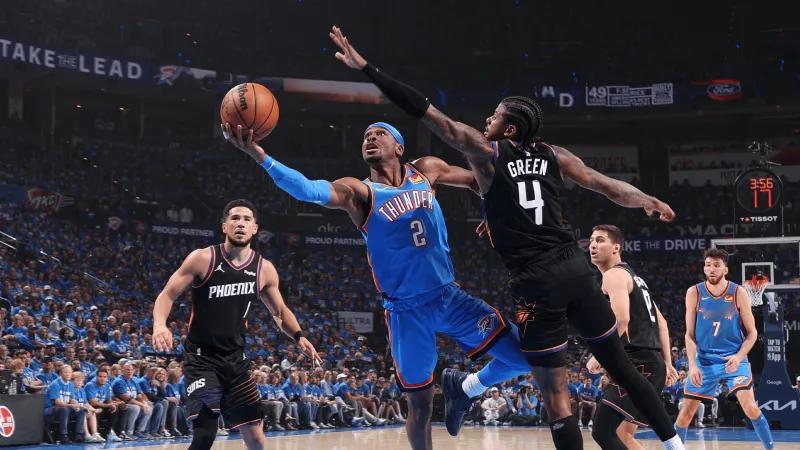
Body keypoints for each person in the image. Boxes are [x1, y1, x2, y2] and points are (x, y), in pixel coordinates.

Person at [328, 25, 683, 450]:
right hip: (573, 266)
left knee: (556, 396)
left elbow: (425, 111)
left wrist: (367, 68)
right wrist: (649, 201)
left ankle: (467, 387)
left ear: (509, 129)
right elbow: (606, 186)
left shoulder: (487, 153)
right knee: (620, 366)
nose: (487, 121)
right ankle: (675, 445)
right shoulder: (555, 154)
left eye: (494, 117)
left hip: (536, 280)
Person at [222, 95, 530, 450]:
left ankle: (466, 387)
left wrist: (493, 211)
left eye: (379, 133)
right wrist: (259, 155)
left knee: (525, 357)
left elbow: (481, 181)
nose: (370, 138)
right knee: (420, 403)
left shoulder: (427, 170)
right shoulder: (360, 192)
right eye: (366, 136)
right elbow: (307, 190)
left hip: (450, 297)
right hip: (405, 310)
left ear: (399, 147)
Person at [151, 199, 320, 450]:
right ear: (224, 226)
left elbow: (280, 312)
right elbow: (167, 294)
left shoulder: (264, 269)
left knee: (256, 437)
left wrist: (299, 336)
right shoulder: (203, 258)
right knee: (205, 434)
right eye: (235, 218)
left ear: (255, 228)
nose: (241, 223)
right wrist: (159, 325)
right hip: (201, 359)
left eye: (247, 219)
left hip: (236, 361)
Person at [586, 225, 678, 449]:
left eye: (600, 240)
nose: (593, 245)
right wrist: (667, 363)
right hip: (651, 364)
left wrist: (598, 356)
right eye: (591, 241)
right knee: (623, 435)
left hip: (639, 364)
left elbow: (622, 320)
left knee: (602, 431)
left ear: (616, 247)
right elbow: (662, 324)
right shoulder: (635, 278)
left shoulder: (614, 275)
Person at [675, 249, 774, 449]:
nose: (711, 269)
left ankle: (770, 448)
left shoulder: (739, 292)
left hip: (733, 359)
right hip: (704, 361)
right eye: (708, 265)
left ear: (725, 269)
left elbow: (752, 334)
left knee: (751, 408)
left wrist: (738, 357)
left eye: (716, 265)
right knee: (685, 415)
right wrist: (692, 365)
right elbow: (689, 335)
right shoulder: (694, 292)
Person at [44, 365, 87, 443]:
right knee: (64, 409)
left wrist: (76, 405)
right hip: (51, 409)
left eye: (70, 372)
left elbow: (72, 399)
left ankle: (79, 435)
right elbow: (57, 402)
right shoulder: (55, 384)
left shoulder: (71, 384)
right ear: (60, 373)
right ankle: (63, 436)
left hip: (65, 408)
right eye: (65, 372)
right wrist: (71, 405)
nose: (68, 374)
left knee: (82, 410)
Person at [85, 367, 123, 442]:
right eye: (100, 376)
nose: (102, 379)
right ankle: (96, 434)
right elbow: (93, 402)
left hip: (101, 406)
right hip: (90, 407)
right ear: (96, 377)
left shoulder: (107, 385)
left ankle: (110, 432)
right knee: (99, 409)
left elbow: (108, 400)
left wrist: (113, 404)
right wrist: (108, 405)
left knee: (114, 409)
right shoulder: (90, 385)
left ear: (107, 378)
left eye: (104, 377)